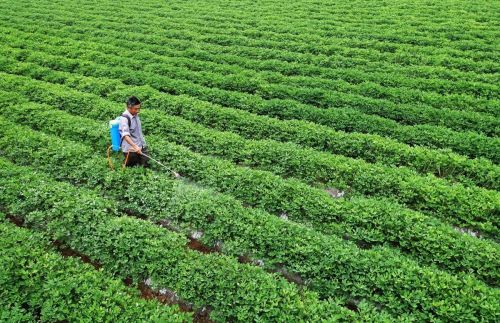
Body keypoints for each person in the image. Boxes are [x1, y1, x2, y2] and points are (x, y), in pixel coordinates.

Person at [119, 96, 149, 168]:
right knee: (131, 166)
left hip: (141, 145)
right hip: (131, 149)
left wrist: (141, 145)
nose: (138, 111)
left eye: (139, 108)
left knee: (146, 163)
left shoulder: (135, 114)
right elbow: (125, 135)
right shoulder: (124, 119)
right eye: (136, 109)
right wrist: (135, 147)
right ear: (129, 107)